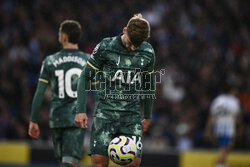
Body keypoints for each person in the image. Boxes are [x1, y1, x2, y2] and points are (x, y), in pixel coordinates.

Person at [75, 13, 155, 167]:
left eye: (137, 45)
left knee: (133, 163)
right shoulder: (106, 46)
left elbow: (148, 84)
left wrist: (148, 115)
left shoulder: (148, 52)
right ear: (125, 30)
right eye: (131, 43)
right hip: (104, 114)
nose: (133, 48)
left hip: (131, 116)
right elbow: (85, 76)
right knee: (99, 164)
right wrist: (80, 110)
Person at [28, 20, 89, 167]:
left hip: (56, 118)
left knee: (65, 162)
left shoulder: (50, 61)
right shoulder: (87, 61)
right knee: (69, 162)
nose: (58, 35)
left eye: (60, 33)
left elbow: (40, 92)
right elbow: (99, 90)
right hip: (76, 118)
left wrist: (33, 120)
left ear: (65, 37)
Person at [204, 88, 242, 167]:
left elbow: (212, 116)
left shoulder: (217, 100)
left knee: (224, 147)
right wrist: (239, 128)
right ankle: (219, 164)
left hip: (218, 126)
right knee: (225, 148)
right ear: (230, 91)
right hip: (228, 127)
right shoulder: (234, 100)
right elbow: (238, 118)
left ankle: (221, 164)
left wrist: (208, 129)